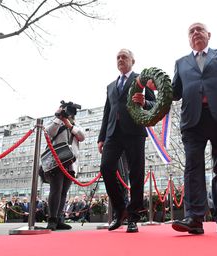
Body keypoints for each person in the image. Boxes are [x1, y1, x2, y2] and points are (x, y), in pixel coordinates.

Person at [171, 22, 217, 234]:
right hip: (192, 122)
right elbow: (174, 93)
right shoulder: (180, 63)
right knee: (192, 170)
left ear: (209, 34)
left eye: (200, 29)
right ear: (188, 38)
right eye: (191, 31)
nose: (196, 33)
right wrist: (150, 95)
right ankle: (195, 219)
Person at [98, 48, 156, 233]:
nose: (120, 59)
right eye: (118, 57)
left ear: (133, 60)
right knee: (106, 168)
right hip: (113, 134)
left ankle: (133, 216)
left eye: (124, 57)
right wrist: (101, 137)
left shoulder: (142, 80)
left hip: (135, 131)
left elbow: (154, 104)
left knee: (136, 174)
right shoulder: (110, 86)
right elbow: (107, 112)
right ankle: (120, 209)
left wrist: (145, 102)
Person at [44, 102, 85, 231]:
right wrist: (58, 117)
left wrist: (69, 125)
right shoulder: (55, 122)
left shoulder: (75, 125)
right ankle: (52, 219)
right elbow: (49, 132)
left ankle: (59, 219)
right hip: (56, 161)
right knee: (56, 190)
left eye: (71, 113)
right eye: (67, 112)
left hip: (71, 163)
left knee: (63, 192)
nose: (69, 114)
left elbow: (82, 137)